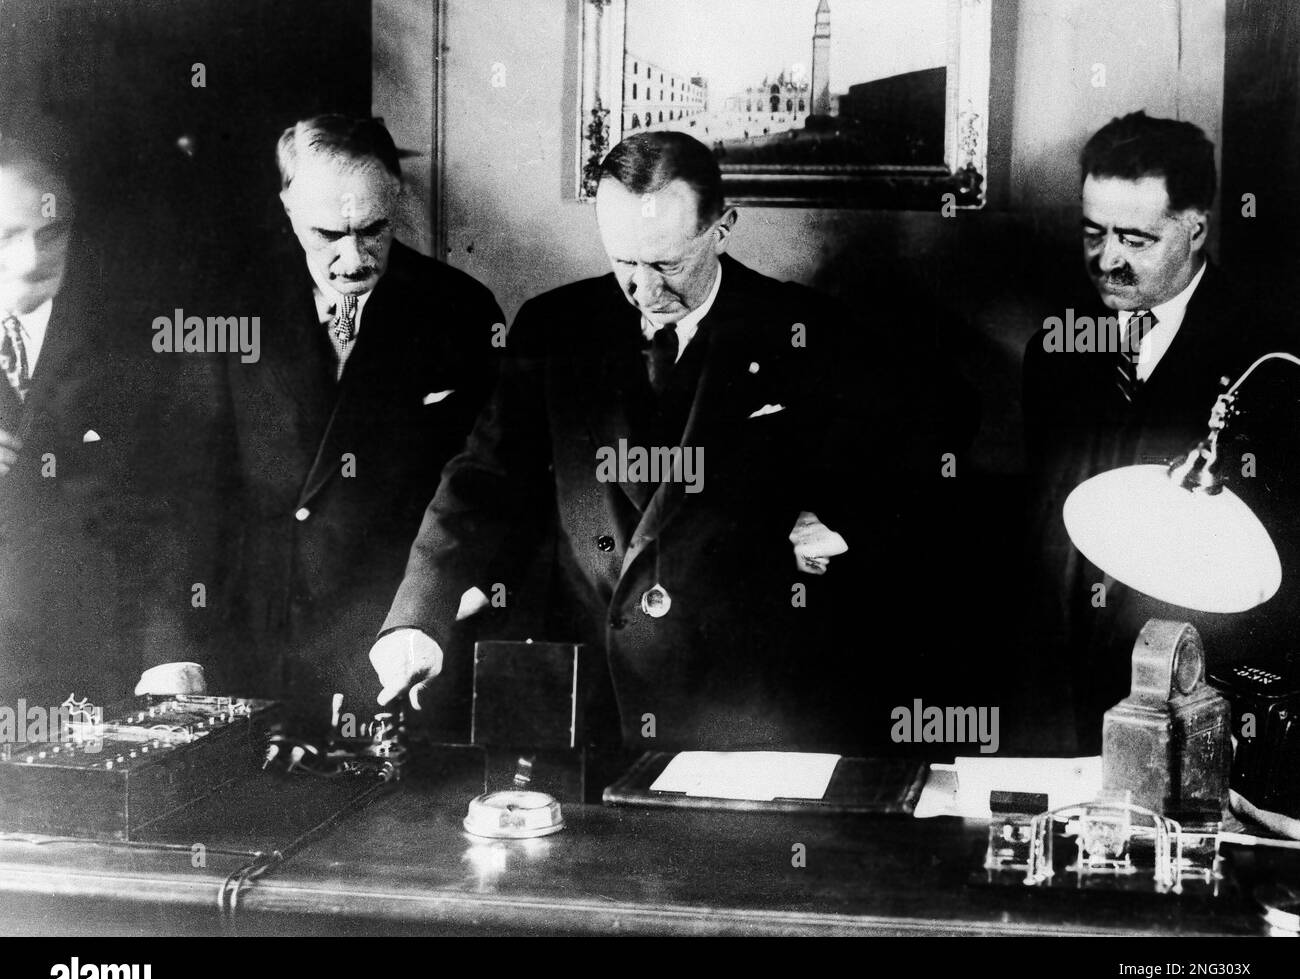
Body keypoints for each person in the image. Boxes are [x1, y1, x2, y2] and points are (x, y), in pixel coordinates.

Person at [369, 131, 918, 753]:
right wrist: (418, 620)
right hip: (593, 690)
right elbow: (483, 478)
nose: (645, 291)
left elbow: (930, 430)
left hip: (745, 696)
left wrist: (844, 520)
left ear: (723, 226)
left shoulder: (805, 329)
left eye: (667, 264)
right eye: (624, 261)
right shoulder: (556, 328)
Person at [170, 115, 504, 732]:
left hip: (397, 642)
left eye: (372, 230)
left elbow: (485, 483)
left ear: (396, 199)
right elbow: (190, 483)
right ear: (287, 207)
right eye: (328, 234)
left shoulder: (460, 310)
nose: (352, 259)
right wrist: (170, 644)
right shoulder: (224, 308)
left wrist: (429, 615)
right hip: (259, 640)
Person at [1022, 110, 1299, 751]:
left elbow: (1274, 578)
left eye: (1135, 240)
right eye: (1093, 233)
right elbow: (1050, 530)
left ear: (1195, 228)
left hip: (1199, 700)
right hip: (1067, 704)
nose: (1107, 260)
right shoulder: (1054, 351)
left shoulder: (1271, 366)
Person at [0, 137, 152, 707]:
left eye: (51, 233)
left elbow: (167, 511)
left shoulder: (129, 344)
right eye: (7, 236)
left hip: (91, 665)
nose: (32, 260)